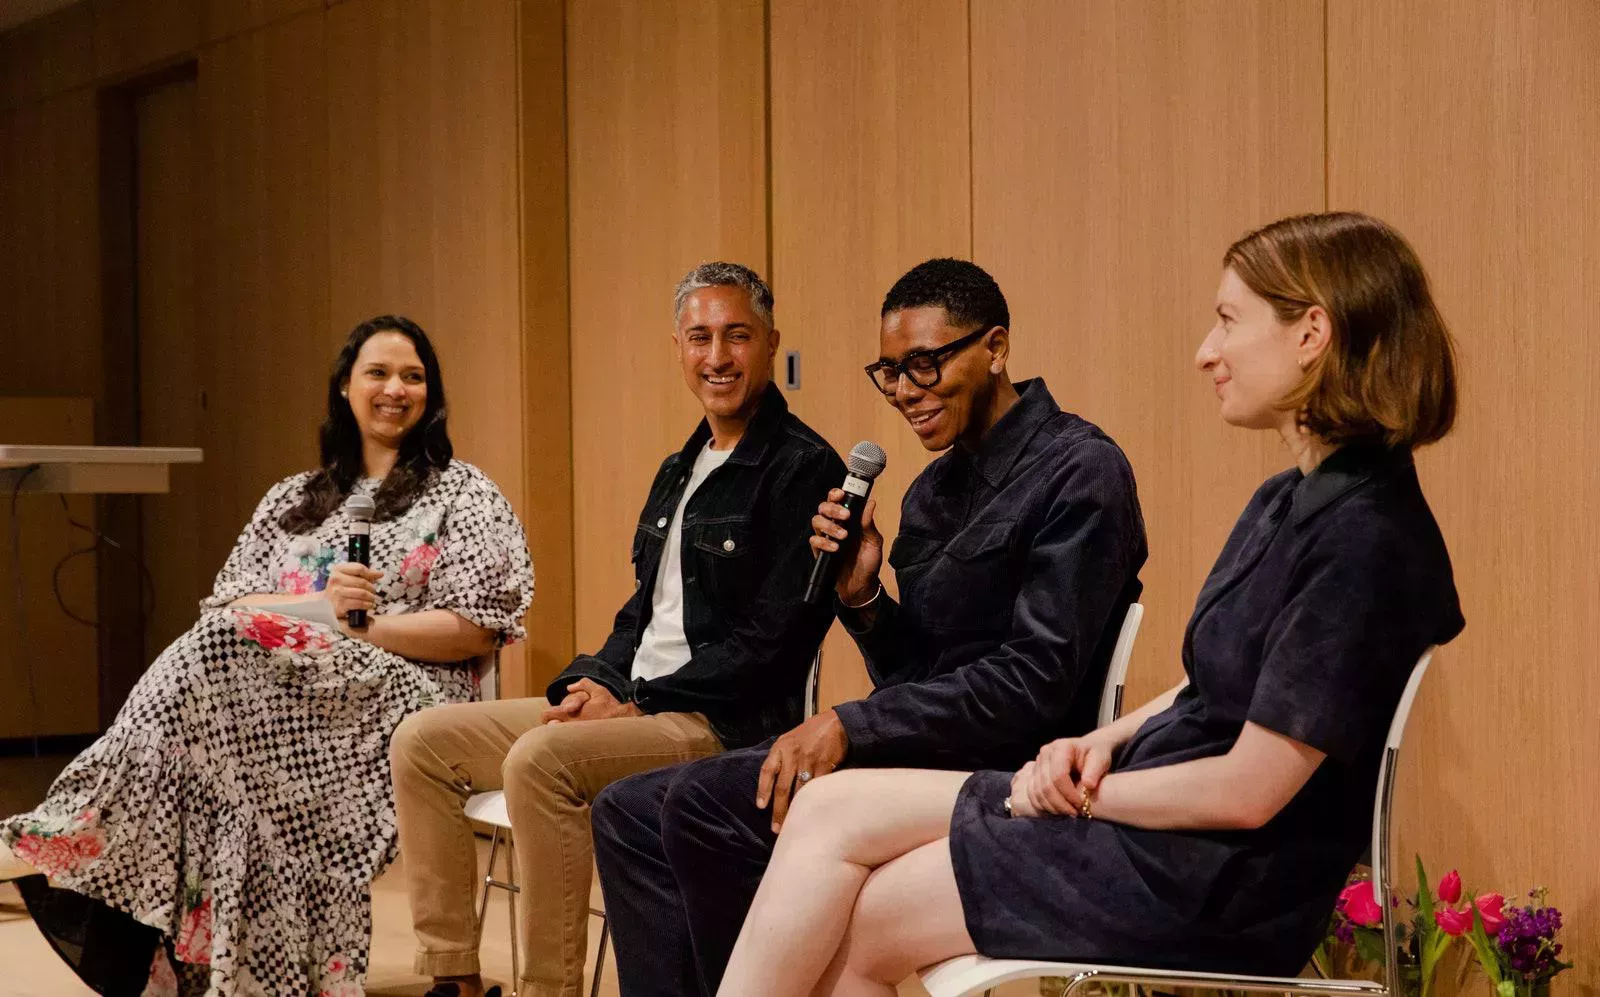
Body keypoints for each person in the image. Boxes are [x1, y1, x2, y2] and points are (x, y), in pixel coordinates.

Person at [715, 212, 1467, 997]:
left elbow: (1249, 792)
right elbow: (1217, 682)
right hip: (1155, 822)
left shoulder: (1365, 537)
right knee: (830, 811)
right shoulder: (1293, 499)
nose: (1206, 351)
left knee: (876, 907)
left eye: (1227, 320)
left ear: (1312, 332)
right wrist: (1102, 740)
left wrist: (1082, 796)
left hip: (1217, 879)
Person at [592, 258, 1148, 997]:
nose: (906, 392)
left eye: (924, 364)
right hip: (923, 748)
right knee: (627, 810)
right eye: (889, 372)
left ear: (996, 347)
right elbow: (914, 673)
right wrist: (861, 598)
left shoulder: (1079, 471)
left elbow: (1033, 682)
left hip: (1014, 768)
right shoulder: (928, 493)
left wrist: (851, 724)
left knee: (705, 805)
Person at [1, 315, 533, 996]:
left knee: (208, 686)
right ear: (345, 387)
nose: (396, 387)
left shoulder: (462, 493)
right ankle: (127, 930)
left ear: (431, 394)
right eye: (378, 372)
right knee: (202, 697)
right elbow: (229, 607)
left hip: (399, 699)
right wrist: (320, 607)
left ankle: (71, 830)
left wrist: (364, 628)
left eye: (414, 375)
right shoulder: (294, 498)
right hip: (272, 696)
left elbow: (475, 627)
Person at [388, 263, 842, 997]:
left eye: (737, 336)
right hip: (638, 698)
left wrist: (637, 698)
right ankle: (455, 980)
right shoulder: (679, 466)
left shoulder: (801, 465)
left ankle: (551, 989)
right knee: (424, 741)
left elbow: (772, 643)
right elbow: (641, 612)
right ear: (678, 347)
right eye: (700, 337)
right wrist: (591, 680)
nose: (717, 356)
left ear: (770, 343)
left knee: (542, 762)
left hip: (721, 722)